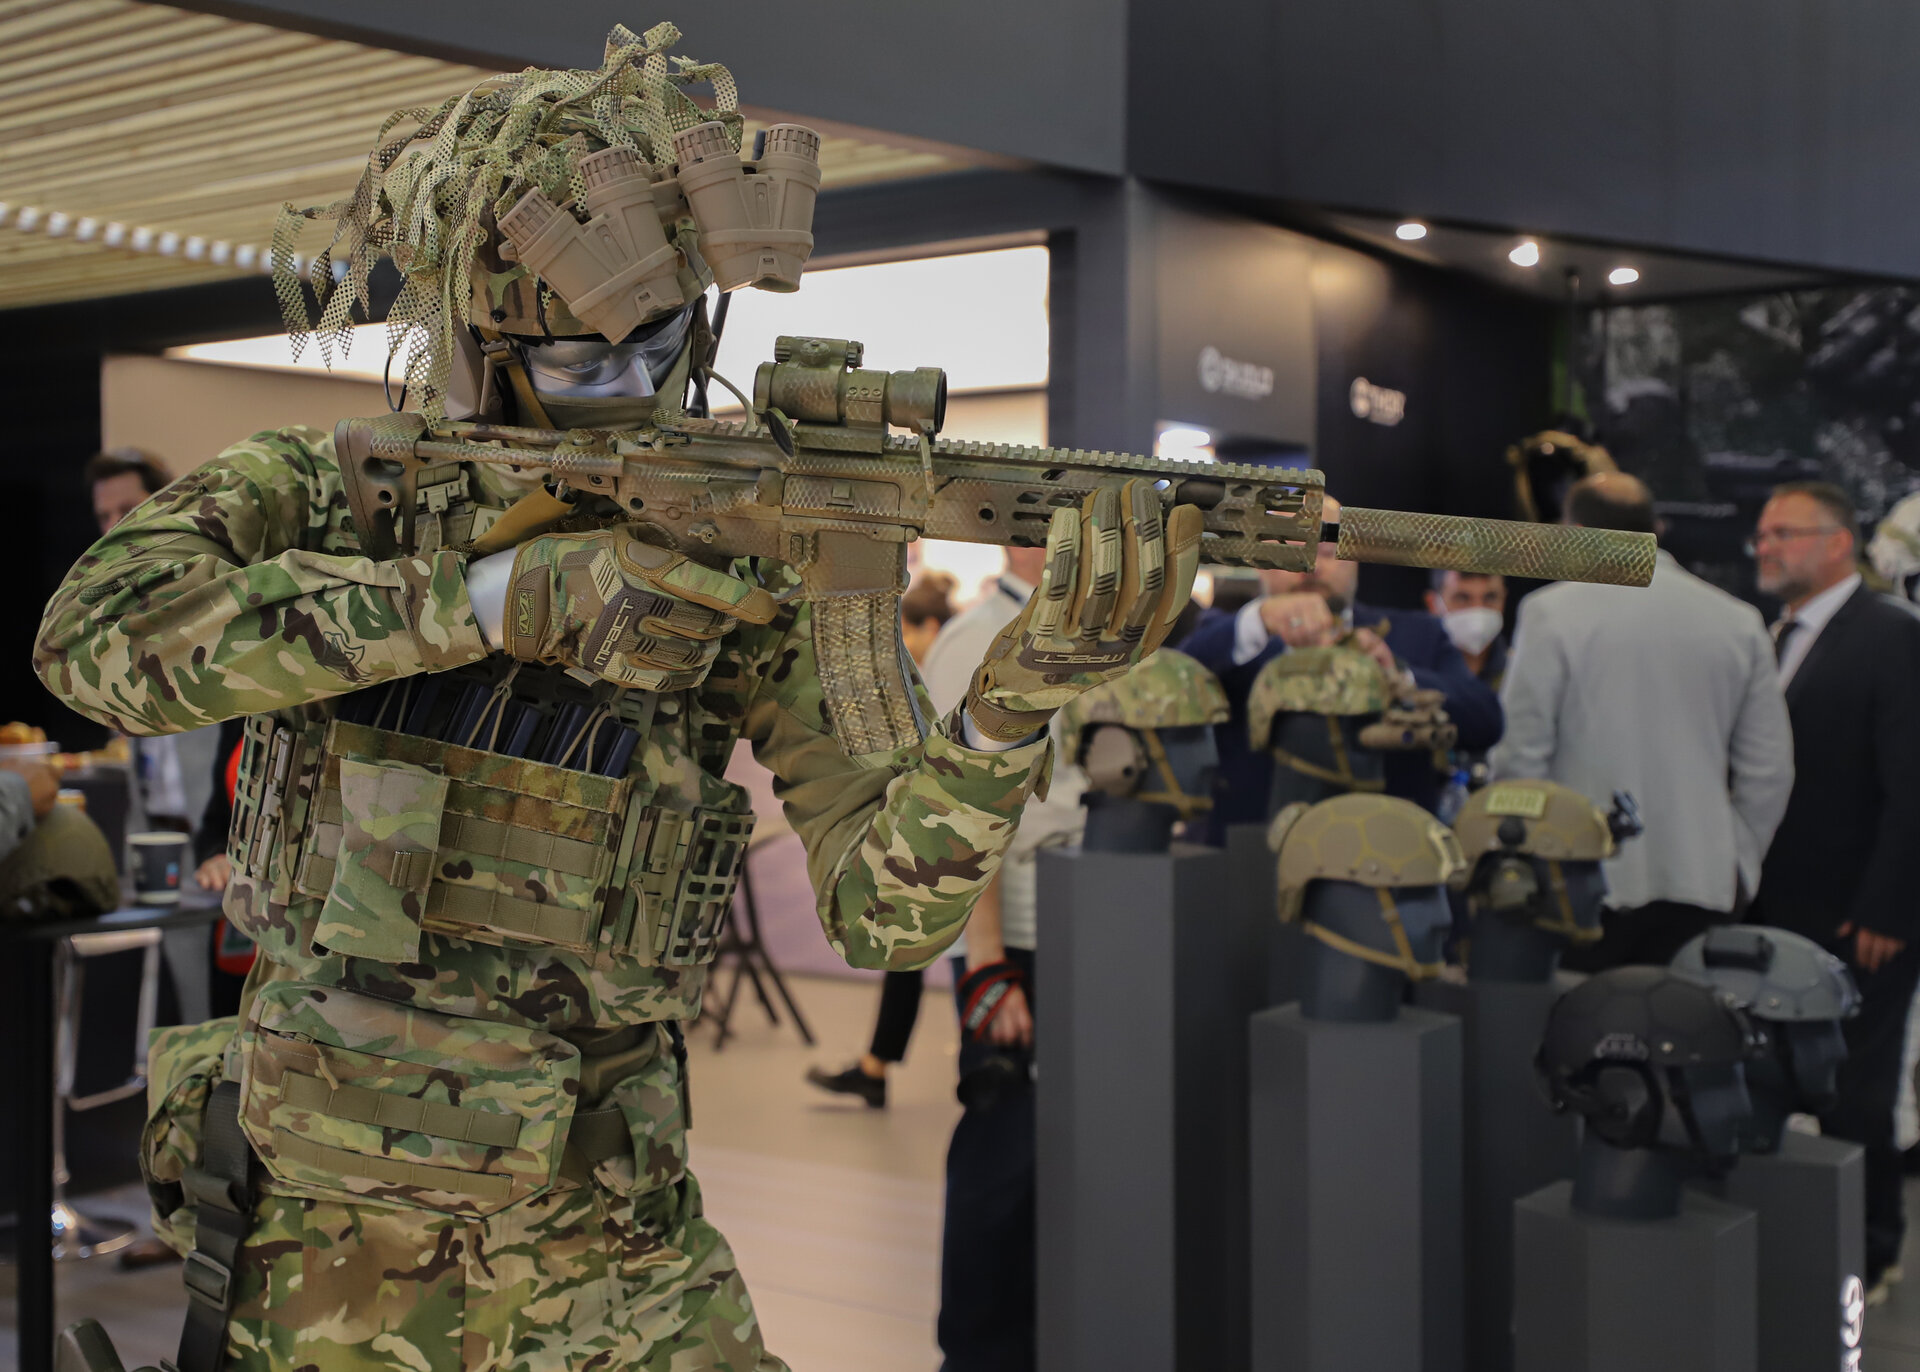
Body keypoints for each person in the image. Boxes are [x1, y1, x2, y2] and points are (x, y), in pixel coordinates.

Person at [34, 28, 1196, 1371]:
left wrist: (1007, 710)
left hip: (610, 1249)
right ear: (478, 347)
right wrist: (481, 601)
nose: (639, 390)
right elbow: (92, 642)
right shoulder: (325, 488)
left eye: (664, 342)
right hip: (321, 1239)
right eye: (585, 364)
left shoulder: (745, 551)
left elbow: (884, 913)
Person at [1490, 472, 1793, 970]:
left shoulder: (1552, 613)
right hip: (1702, 880)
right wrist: (1737, 859)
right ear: (1656, 528)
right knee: (1681, 1018)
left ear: (1574, 532)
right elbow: (1770, 770)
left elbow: (1520, 756)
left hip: (1580, 880)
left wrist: (1523, 861)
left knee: (1581, 1016)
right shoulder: (1737, 622)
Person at [1743, 480, 1920, 1303]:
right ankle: (1805, 1240)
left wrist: (1888, 908)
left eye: (1785, 532)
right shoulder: (1774, 635)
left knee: (1859, 1090)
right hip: (1784, 909)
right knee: (1787, 1079)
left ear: (1838, 542)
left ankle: (1874, 1250)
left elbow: (1912, 785)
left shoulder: (1891, 636)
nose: (1765, 545)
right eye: (1764, 532)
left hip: (1862, 916)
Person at [1182, 494, 1503, 837]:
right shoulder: (1232, 638)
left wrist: (1397, 674)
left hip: (1389, 842)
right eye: (1290, 550)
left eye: (1325, 551)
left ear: (1355, 560)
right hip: (1250, 846)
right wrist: (1258, 621)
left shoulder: (1417, 635)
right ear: (1259, 562)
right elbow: (1179, 677)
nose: (1311, 566)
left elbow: (1486, 720)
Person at [806, 570, 959, 1108]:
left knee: (917, 950)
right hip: (929, 831)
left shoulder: (948, 667)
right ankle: (876, 1064)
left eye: (909, 631)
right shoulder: (937, 670)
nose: (906, 644)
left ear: (929, 626)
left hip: (936, 833)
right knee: (907, 952)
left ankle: (877, 1066)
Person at [1425, 570, 1509, 690]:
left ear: (1504, 599)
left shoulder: (1521, 672)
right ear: (1433, 604)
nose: (1477, 609)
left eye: (1490, 597)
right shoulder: (1409, 675)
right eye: (1462, 598)